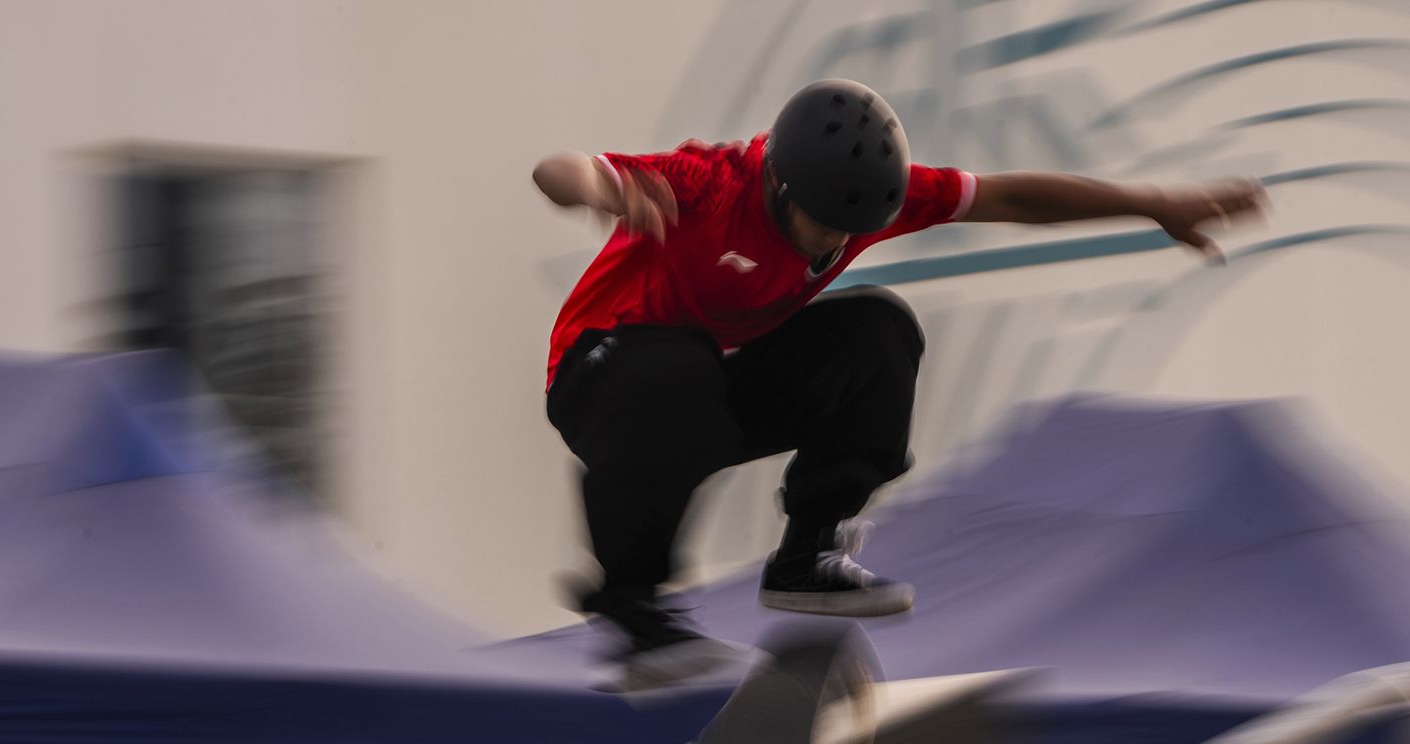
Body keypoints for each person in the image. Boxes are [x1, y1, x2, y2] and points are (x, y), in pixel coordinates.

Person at [532, 79, 1265, 689]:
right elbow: (561, 169)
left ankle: (808, 553)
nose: (834, 245)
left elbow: (1013, 199)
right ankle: (633, 605)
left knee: (877, 329)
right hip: (599, 377)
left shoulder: (862, 204)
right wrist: (598, 189)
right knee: (679, 369)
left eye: (852, 232)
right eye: (823, 229)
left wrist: (1151, 204)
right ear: (781, 187)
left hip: (704, 395)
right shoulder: (708, 184)